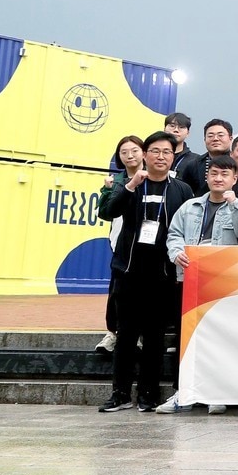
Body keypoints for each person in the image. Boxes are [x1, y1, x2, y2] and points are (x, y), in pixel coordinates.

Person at [96, 132, 193, 413]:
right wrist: (129, 187)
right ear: (144, 155)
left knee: (154, 337)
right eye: (155, 151)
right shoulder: (130, 184)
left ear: (173, 157)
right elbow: (108, 212)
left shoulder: (182, 190)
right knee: (125, 335)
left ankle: (148, 393)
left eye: (166, 152)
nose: (160, 156)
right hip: (129, 271)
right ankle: (120, 393)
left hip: (162, 274)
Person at [158, 154, 238, 415]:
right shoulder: (190, 206)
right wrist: (175, 252)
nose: (218, 178)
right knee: (188, 338)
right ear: (207, 176)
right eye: (214, 173)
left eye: (225, 175)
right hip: (190, 278)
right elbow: (174, 234)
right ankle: (183, 391)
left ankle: (218, 391)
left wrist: (236, 205)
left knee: (221, 338)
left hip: (224, 284)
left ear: (235, 179)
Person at [94, 135, 144, 355]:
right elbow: (104, 212)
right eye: (124, 152)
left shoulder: (156, 178)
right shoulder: (116, 182)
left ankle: (140, 335)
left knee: (144, 293)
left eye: (134, 150)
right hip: (121, 244)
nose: (129, 155)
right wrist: (107, 191)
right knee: (116, 290)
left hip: (148, 244)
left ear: (144, 152)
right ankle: (112, 333)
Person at [178, 119, 234, 197]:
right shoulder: (194, 165)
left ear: (230, 138)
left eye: (220, 135)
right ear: (204, 140)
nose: (215, 139)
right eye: (210, 136)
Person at [163, 112, 199, 179]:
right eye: (172, 126)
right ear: (164, 129)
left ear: (188, 133)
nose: (176, 130)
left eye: (181, 127)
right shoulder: (155, 155)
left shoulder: (195, 160)